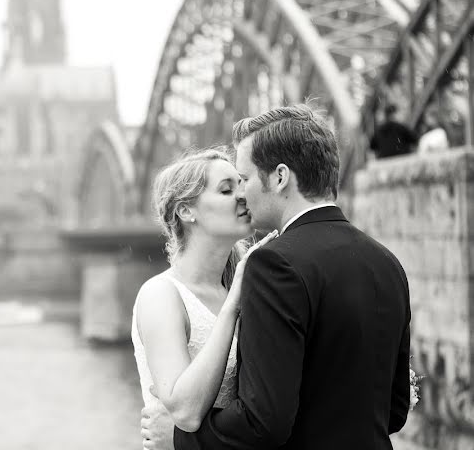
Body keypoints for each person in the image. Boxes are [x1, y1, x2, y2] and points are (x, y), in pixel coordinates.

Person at [143, 104, 412, 449]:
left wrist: (181, 439)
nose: (241, 193)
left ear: (280, 177)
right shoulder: (387, 263)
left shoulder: (274, 265)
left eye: (245, 179)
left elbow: (263, 423)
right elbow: (395, 410)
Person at [132, 147, 275, 448]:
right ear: (186, 211)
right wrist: (234, 303)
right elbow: (185, 412)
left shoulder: (245, 287)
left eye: (242, 184)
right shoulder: (161, 295)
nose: (242, 196)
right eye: (226, 190)